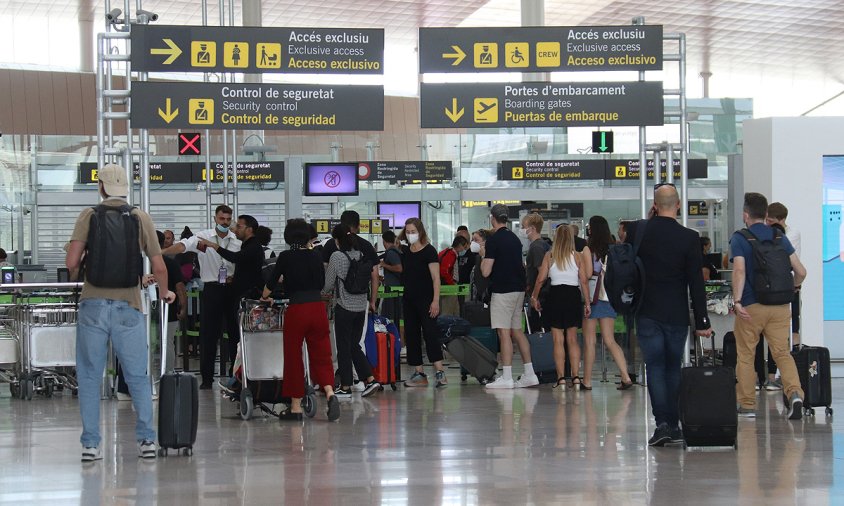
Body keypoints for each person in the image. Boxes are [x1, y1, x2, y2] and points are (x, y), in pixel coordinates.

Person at [65, 164, 175, 461]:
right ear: (125, 187)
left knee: (89, 376)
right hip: (129, 306)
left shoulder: (89, 216)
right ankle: (147, 442)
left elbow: (72, 262)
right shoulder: (140, 218)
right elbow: (160, 266)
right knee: (138, 376)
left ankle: (91, 445)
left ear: (101, 187)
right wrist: (165, 293)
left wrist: (84, 258)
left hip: (92, 305)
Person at [636, 183, 710, 447]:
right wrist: (702, 320)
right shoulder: (690, 237)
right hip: (676, 312)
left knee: (654, 366)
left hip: (646, 311)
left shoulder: (639, 232)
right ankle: (676, 424)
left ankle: (662, 424)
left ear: (655, 205)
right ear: (678, 205)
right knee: (672, 366)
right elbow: (696, 283)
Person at [731, 192, 807, 420]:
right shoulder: (779, 236)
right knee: (782, 353)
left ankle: (746, 405)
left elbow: (739, 270)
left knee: (745, 355)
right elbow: (801, 272)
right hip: (780, 306)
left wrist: (736, 300)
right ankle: (795, 394)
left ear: (745, 215)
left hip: (751, 307)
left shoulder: (740, 238)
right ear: (766, 215)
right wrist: (792, 288)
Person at [260, 218, 339, 421]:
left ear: (288, 236)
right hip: (317, 309)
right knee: (322, 354)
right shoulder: (315, 255)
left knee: (294, 357)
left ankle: (295, 407)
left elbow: (270, 283)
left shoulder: (286, 257)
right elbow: (321, 283)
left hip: (297, 310)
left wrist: (265, 295)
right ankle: (330, 392)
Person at [162, 205, 241, 389]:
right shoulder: (203, 237)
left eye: (228, 219)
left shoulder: (237, 241)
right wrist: (162, 253)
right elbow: (183, 246)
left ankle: (235, 376)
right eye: (222, 219)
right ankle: (207, 378)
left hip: (231, 289)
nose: (225, 223)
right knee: (208, 335)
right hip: (211, 289)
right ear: (215, 219)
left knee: (234, 335)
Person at [322, 224, 383, 399]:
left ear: (337, 240)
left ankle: (346, 386)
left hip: (344, 307)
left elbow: (327, 285)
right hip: (360, 306)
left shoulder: (336, 256)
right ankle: (370, 379)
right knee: (353, 345)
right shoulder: (360, 255)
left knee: (343, 346)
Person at [482, 204, 538, 389]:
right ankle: (530, 374)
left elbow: (485, 271)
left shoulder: (493, 240)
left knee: (503, 332)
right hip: (518, 290)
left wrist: (483, 254)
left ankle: (506, 377)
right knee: (517, 331)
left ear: (492, 218)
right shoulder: (515, 239)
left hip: (503, 291)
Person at [530, 224, 589, 389]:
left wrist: (534, 296)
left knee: (557, 340)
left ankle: (561, 378)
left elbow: (540, 279)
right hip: (572, 296)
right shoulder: (577, 256)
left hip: (555, 296)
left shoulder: (550, 256)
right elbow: (583, 281)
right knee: (572, 339)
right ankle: (576, 377)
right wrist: (588, 303)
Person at [580, 216, 634, 391]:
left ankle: (587, 381)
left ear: (592, 230)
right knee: (610, 340)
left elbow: (588, 274)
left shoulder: (589, 250)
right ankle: (625, 377)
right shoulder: (614, 249)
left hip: (594, 298)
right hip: (610, 296)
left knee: (590, 342)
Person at [399, 218, 448, 388]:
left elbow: (436, 278)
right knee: (411, 334)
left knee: (430, 333)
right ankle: (419, 372)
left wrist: (435, 301)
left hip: (427, 299)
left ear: (420, 232)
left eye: (413, 231)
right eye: (407, 231)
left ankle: (440, 371)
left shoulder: (429, 251)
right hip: (409, 299)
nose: (410, 234)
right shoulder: (406, 251)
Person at [321, 210, 379, 313]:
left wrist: (325, 295)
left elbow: (325, 270)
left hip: (341, 302)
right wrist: (373, 302)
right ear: (358, 226)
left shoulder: (331, 244)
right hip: (362, 300)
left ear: (341, 224)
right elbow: (375, 275)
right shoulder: (366, 245)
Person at [198, 214, 265, 302]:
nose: (236, 230)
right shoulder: (246, 245)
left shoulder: (253, 246)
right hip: (230, 289)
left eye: (239, 227)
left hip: (249, 294)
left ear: (249, 230)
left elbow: (235, 257)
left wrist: (215, 246)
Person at [766, 201, 801, 348]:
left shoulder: (791, 235)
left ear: (781, 220)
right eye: (766, 220)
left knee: (792, 328)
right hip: (770, 287)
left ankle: (794, 359)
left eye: (771, 221)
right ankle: (773, 371)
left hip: (787, 285)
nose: (767, 224)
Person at [156, 231, 187, 374]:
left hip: (147, 309)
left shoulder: (141, 261)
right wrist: (183, 307)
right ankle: (167, 372)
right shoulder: (171, 263)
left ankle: (146, 373)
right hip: (169, 307)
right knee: (167, 342)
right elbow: (180, 287)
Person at [522, 212, 550, 334]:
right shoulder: (543, 244)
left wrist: (535, 296)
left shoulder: (536, 247)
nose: (522, 230)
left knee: (536, 331)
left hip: (539, 296)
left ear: (532, 228)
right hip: (542, 294)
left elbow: (541, 274)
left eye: (524, 227)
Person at [438, 235, 469, 316]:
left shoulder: (445, 251)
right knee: (448, 311)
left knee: (454, 309)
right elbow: (444, 272)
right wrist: (452, 284)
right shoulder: (451, 255)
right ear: (459, 246)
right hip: (448, 287)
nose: (465, 249)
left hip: (444, 285)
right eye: (464, 247)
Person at [379, 230, 403, 330]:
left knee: (389, 315)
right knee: (397, 316)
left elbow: (399, 268)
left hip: (393, 290)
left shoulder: (391, 253)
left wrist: (384, 265)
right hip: (396, 288)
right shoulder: (397, 251)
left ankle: (394, 338)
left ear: (384, 241)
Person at [469, 229, 491, 303]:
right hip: (478, 297)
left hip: (487, 296)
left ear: (485, 242)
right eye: (472, 240)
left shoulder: (490, 257)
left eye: (476, 240)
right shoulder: (478, 257)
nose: (473, 243)